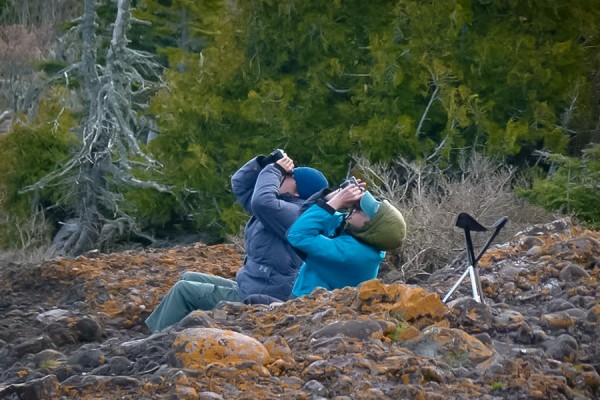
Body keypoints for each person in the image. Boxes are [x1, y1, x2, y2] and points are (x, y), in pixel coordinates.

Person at [144, 150, 328, 332]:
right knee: (189, 277)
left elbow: (262, 201)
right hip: (253, 284)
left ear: (297, 191)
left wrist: (274, 170)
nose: (282, 176)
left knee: (183, 290)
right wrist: (266, 162)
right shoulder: (279, 207)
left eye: (288, 176)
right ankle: (179, 331)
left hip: (261, 294)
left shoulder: (294, 215)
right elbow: (240, 184)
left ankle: (154, 340)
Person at [287, 180, 407, 298]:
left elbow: (298, 235)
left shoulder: (355, 253)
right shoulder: (362, 236)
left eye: (361, 210)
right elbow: (305, 216)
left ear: (370, 227)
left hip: (313, 306)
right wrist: (334, 196)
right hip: (309, 298)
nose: (355, 209)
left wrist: (336, 202)